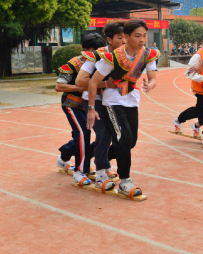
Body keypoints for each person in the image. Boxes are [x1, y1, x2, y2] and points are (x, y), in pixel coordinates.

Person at [85, 19, 158, 199]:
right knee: (123, 139)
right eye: (137, 36)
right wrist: (91, 108)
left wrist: (151, 85)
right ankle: (125, 181)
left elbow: (153, 77)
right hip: (112, 101)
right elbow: (93, 82)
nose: (142, 40)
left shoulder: (148, 54)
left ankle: (100, 157)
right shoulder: (112, 57)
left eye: (144, 36)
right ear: (126, 37)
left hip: (132, 100)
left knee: (130, 142)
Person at [55, 31, 109, 186]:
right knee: (83, 132)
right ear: (85, 50)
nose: (96, 55)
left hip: (92, 105)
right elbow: (59, 87)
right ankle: (80, 171)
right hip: (72, 105)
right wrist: (82, 86)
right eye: (93, 52)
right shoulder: (74, 63)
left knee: (101, 133)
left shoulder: (104, 62)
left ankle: (64, 157)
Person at [174, 28, 203, 144]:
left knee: (200, 110)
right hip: (200, 88)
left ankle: (180, 121)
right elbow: (189, 74)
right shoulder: (198, 56)